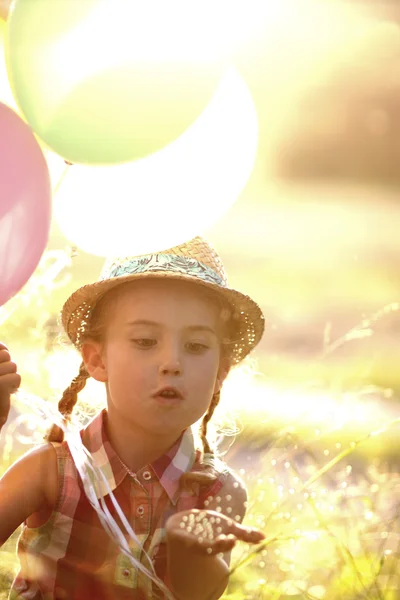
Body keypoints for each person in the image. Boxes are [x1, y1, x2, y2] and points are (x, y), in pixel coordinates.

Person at [0, 236, 266, 600]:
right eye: (144, 341)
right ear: (97, 360)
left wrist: (192, 551)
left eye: (196, 346)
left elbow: (199, 595)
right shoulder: (52, 472)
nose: (171, 362)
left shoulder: (216, 490)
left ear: (221, 370)